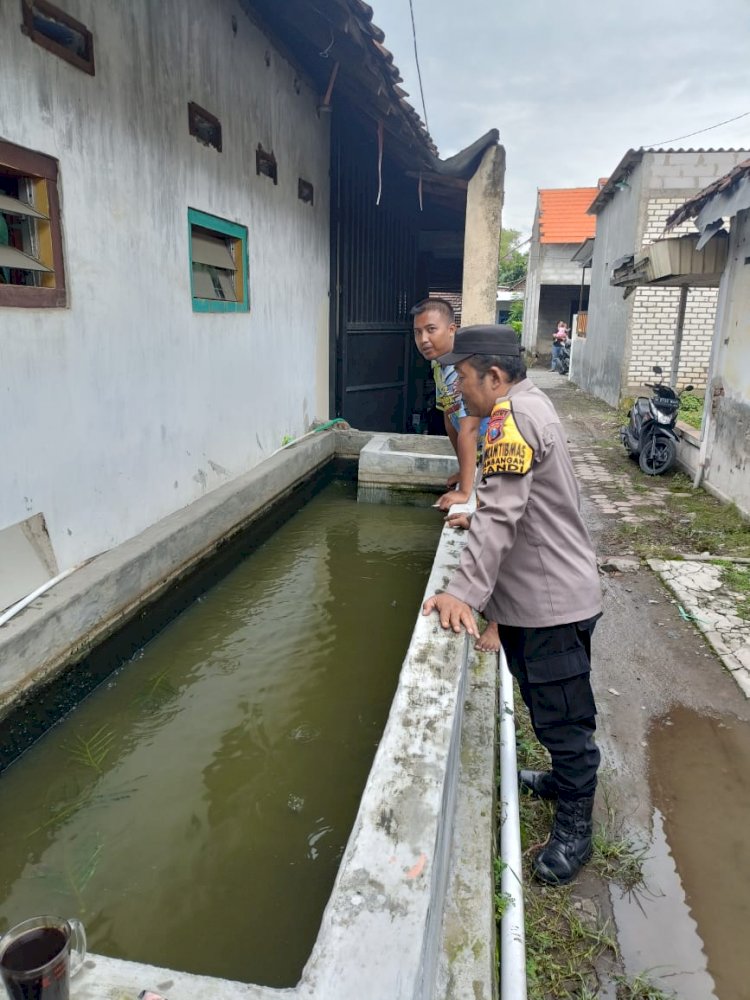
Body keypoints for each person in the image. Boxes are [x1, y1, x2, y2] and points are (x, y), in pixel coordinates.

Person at [422, 324, 603, 886]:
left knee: (565, 718)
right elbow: (511, 499)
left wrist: (461, 592)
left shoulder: (509, 416)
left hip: (551, 603)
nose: (457, 387)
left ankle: (576, 827)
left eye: (463, 376)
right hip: (544, 597)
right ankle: (559, 778)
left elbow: (501, 514)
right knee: (546, 705)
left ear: (494, 377)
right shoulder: (532, 402)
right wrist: (473, 514)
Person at [411, 298, 500, 653]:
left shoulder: (460, 367)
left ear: (452, 330)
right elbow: (450, 420)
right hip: (482, 458)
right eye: (417, 332)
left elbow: (468, 428)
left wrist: (467, 489)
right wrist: (462, 471)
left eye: (431, 330)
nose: (423, 339)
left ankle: (497, 622)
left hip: (497, 453)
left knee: (503, 533)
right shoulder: (440, 367)